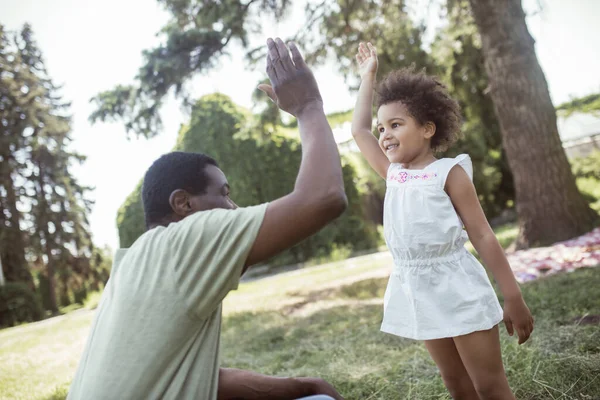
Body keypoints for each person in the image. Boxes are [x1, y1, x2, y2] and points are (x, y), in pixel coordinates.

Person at [67, 38, 346, 400]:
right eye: (224, 193)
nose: (233, 207)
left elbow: (197, 380)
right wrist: (309, 105)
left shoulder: (131, 265)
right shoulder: (185, 240)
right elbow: (323, 197)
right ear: (183, 204)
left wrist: (302, 385)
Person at [351, 42, 535, 399]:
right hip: (417, 288)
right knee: (456, 385)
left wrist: (512, 297)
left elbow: (482, 236)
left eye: (396, 124)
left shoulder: (448, 173)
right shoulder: (394, 174)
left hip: (458, 288)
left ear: (427, 129)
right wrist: (367, 78)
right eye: (382, 127)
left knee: (489, 386)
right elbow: (359, 132)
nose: (384, 134)